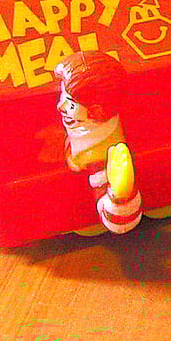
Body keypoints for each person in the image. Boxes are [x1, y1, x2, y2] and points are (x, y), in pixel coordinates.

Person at [54, 51, 142, 234]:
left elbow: (117, 220)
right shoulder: (87, 126)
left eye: (71, 104)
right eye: (62, 96)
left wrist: (120, 195)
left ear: (97, 111)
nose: (60, 106)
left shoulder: (100, 153)